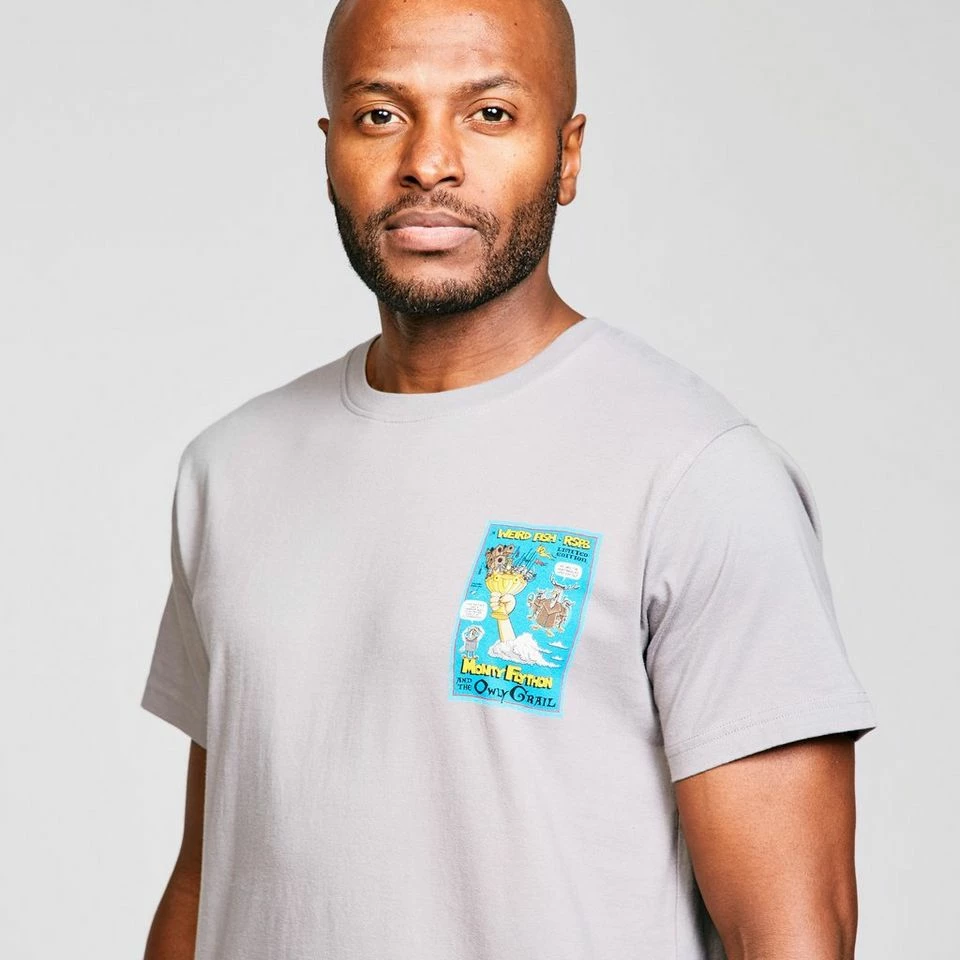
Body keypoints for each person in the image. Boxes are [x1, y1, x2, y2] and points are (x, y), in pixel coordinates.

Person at [139, 0, 877, 957]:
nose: (428, 162)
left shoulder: (694, 475)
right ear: (330, 152)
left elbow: (792, 932)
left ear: (566, 155)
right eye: (380, 115)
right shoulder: (229, 472)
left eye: (489, 113)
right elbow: (209, 876)